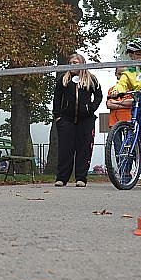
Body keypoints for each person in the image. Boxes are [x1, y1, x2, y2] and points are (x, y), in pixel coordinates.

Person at [52, 53, 103, 187]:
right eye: (71, 62)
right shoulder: (63, 79)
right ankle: (62, 178)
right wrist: (58, 116)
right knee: (65, 149)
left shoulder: (91, 79)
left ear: (82, 63)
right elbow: (57, 98)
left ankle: (81, 178)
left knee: (84, 149)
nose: (73, 64)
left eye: (76, 62)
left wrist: (90, 109)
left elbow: (98, 96)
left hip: (85, 120)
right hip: (66, 119)